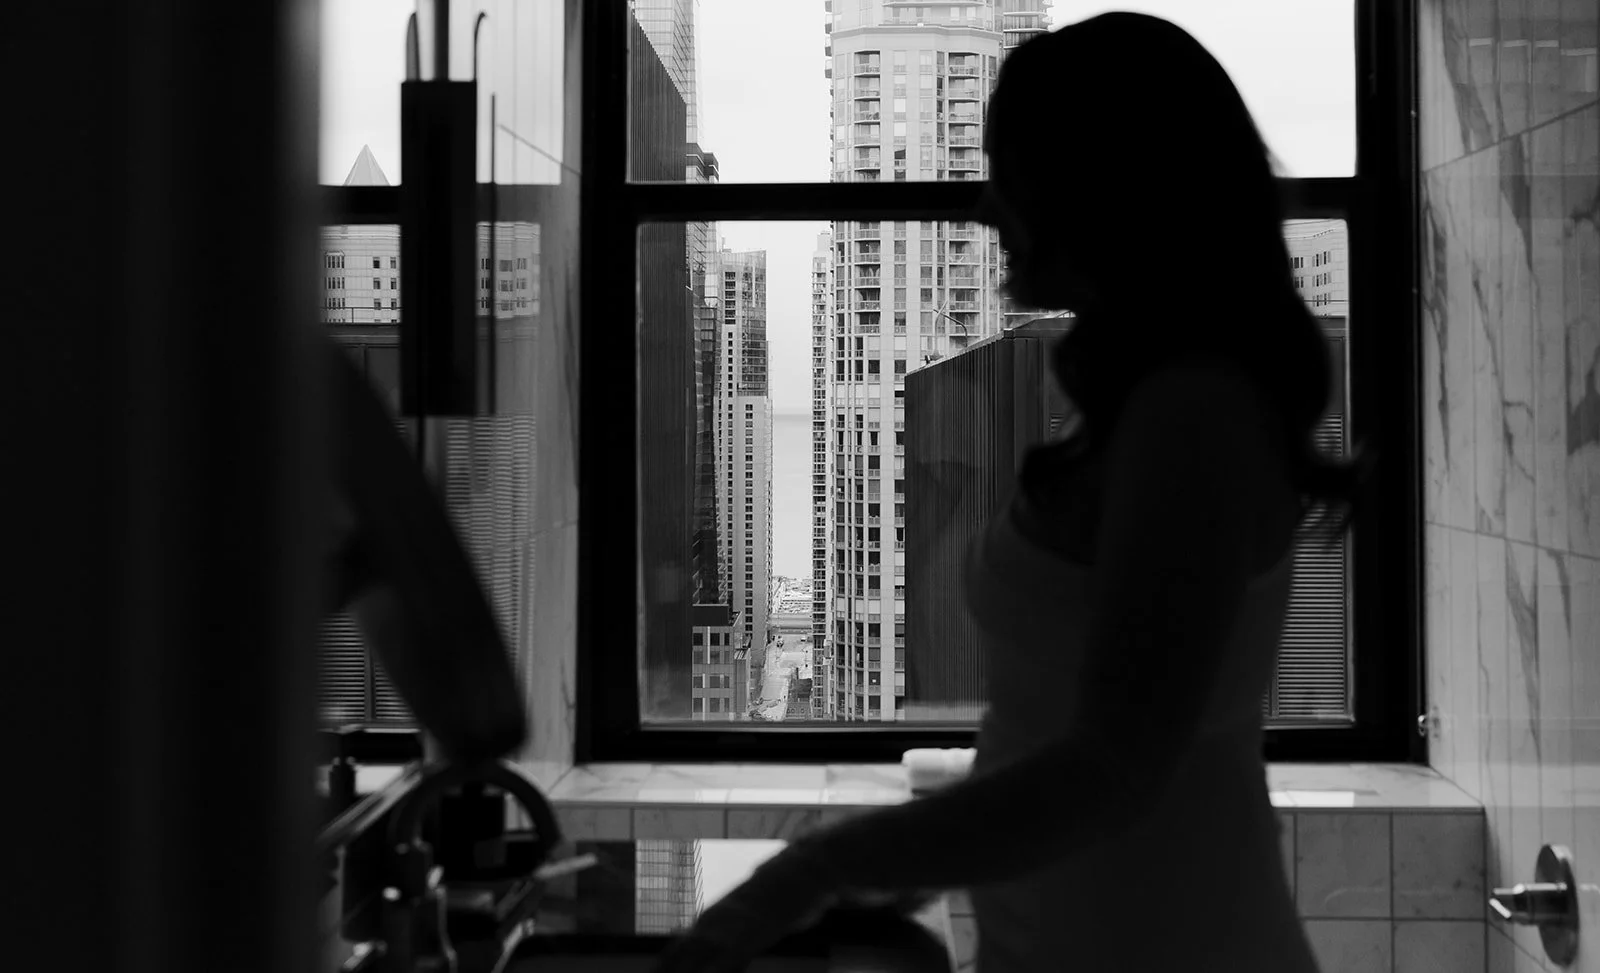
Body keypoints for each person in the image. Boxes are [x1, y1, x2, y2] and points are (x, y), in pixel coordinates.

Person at [656, 13, 1369, 973]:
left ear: (1103, 186)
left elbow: (1112, 765)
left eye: (1011, 172)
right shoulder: (1149, 402)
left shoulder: (1194, 414)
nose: (988, 207)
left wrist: (816, 869)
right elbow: (1052, 735)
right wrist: (912, 855)